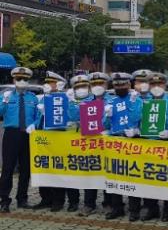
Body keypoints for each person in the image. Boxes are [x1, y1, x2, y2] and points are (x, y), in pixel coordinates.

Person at [133, 72, 168, 222]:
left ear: (165, 85)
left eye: (159, 84)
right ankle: (151, 207)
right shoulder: (143, 101)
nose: (156, 87)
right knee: (149, 177)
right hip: (148, 143)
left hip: (166, 143)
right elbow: (136, 119)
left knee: (167, 177)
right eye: (153, 84)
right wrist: (137, 129)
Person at [103, 72, 143, 220]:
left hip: (132, 141)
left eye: (123, 84)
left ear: (129, 84)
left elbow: (139, 119)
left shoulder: (136, 99)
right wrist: (107, 116)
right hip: (115, 141)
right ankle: (117, 208)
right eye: (117, 85)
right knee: (115, 176)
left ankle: (134, 209)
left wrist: (136, 131)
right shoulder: (111, 101)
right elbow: (105, 124)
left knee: (132, 176)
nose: (120, 87)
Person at [0, 67, 40, 212]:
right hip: (11, 134)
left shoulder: (33, 98)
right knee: (8, 169)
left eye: (25, 79)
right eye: (19, 79)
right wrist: (4, 102)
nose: (22, 81)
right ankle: (4, 200)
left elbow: (38, 116)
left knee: (25, 169)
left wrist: (34, 125)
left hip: (28, 135)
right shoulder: (6, 96)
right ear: (14, 80)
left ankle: (22, 199)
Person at [32, 71, 68, 210]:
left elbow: (68, 118)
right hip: (42, 139)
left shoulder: (63, 98)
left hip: (56, 138)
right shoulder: (43, 99)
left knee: (56, 169)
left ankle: (58, 201)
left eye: (51, 82)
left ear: (58, 84)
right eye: (46, 82)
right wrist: (34, 125)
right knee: (42, 169)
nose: (47, 85)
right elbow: (37, 117)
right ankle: (45, 198)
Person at [57, 74, 92, 212]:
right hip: (71, 141)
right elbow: (72, 116)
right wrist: (71, 102)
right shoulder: (69, 100)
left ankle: (89, 203)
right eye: (77, 87)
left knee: (89, 172)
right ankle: (73, 201)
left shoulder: (93, 100)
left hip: (88, 141)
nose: (81, 89)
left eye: (83, 86)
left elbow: (84, 117)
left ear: (88, 87)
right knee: (71, 171)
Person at [79, 71, 110, 217]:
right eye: (94, 84)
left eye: (100, 83)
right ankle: (89, 204)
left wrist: (107, 126)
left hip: (107, 143)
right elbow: (75, 118)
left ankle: (108, 204)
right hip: (91, 143)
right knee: (91, 173)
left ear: (106, 84)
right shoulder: (85, 101)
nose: (98, 86)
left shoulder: (113, 100)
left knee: (108, 173)